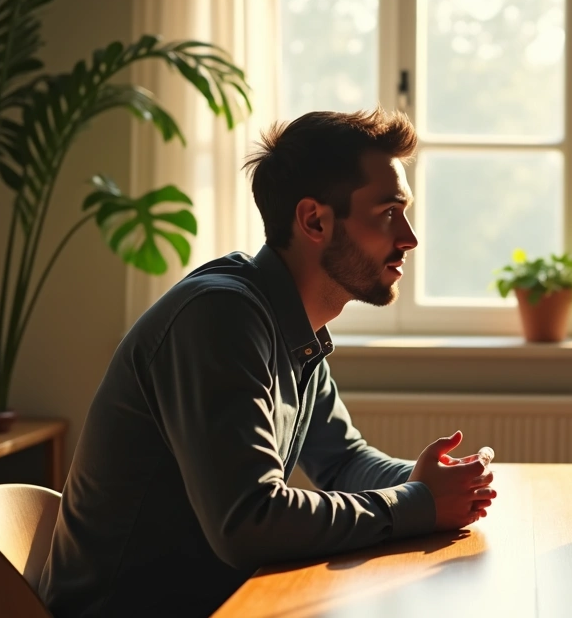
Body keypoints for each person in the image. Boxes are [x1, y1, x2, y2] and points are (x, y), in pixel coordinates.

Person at [39, 109, 496, 617]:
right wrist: (417, 504)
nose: (409, 237)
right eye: (388, 212)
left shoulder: (292, 324)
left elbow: (343, 462)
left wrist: (432, 480)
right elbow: (249, 522)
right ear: (314, 220)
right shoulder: (220, 317)